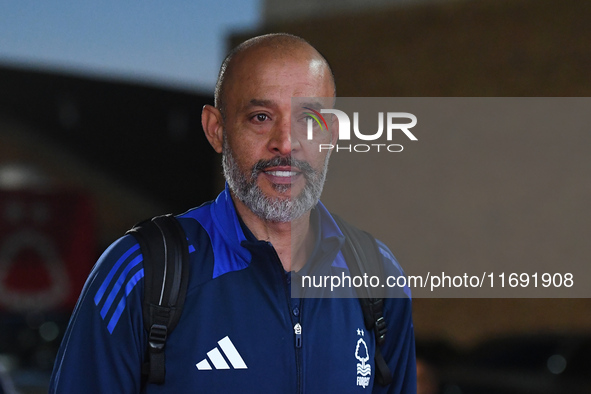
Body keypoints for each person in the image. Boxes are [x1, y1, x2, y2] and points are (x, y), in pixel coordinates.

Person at [49, 33, 416, 393]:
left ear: (332, 134)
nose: (286, 143)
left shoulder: (378, 274)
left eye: (309, 120)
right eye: (260, 117)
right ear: (217, 130)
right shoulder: (141, 272)